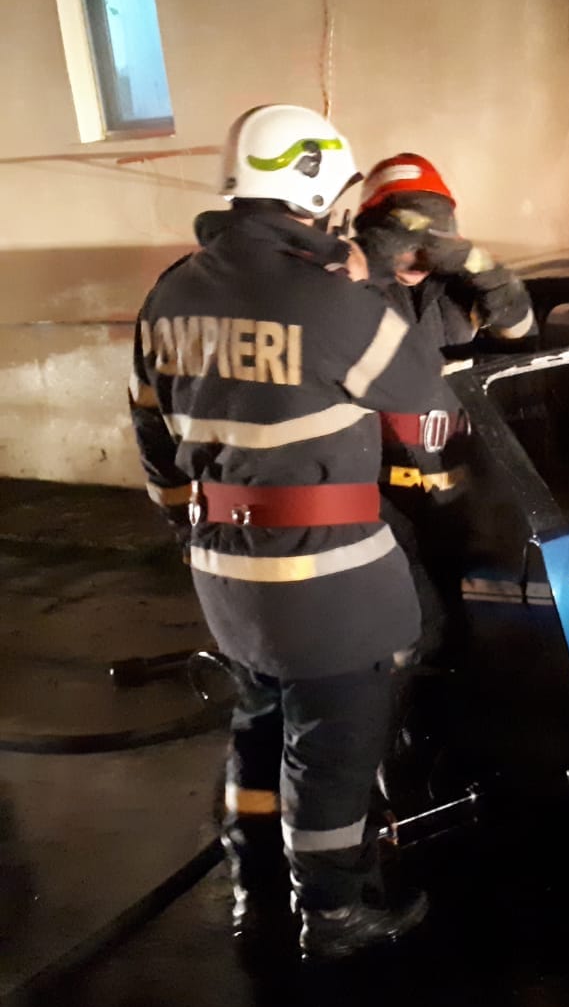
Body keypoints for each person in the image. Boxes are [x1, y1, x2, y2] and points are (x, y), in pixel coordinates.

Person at [128, 105, 446, 958]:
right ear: (315, 193)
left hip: (223, 573)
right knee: (333, 748)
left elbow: (153, 435)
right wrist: (373, 280)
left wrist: (188, 526)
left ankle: (254, 889)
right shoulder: (330, 299)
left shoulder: (172, 291)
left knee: (259, 725)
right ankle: (334, 914)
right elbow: (424, 396)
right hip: (330, 580)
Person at [352, 153, 534, 668]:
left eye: (430, 240)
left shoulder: (459, 293)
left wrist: (491, 276)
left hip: (458, 496)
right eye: (404, 238)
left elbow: (521, 341)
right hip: (380, 503)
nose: (417, 256)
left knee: (472, 627)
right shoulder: (348, 294)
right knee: (409, 635)